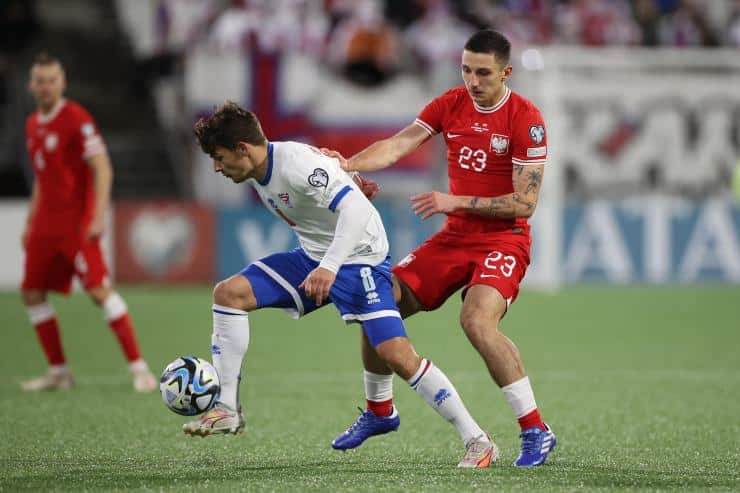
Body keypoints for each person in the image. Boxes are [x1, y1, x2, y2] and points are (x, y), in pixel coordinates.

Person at [185, 101, 497, 468]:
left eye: (219, 157)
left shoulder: (297, 164)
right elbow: (333, 190)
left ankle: (477, 439)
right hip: (316, 255)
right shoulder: (261, 166)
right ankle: (227, 408)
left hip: (360, 256)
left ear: (243, 148)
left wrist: (330, 266)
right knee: (229, 294)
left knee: (396, 354)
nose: (217, 167)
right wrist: (347, 184)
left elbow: (358, 211)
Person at [322, 29, 556, 467]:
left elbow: (525, 202)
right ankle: (379, 411)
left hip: (503, 239)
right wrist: (347, 163)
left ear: (506, 72)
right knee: (377, 299)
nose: (472, 80)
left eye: (483, 72)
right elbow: (399, 143)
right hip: (454, 238)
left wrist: (455, 201)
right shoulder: (451, 103)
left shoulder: (526, 119)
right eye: (466, 69)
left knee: (476, 322)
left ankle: (535, 430)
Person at [20, 53, 157, 393]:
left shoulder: (77, 118)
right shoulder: (33, 124)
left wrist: (98, 216)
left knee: (98, 291)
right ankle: (59, 372)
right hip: (45, 226)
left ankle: (140, 368)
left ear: (62, 83)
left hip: (76, 225)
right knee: (32, 293)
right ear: (31, 85)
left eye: (52, 80)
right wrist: (30, 222)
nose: (46, 86)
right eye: (41, 80)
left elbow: (102, 167)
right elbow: (42, 178)